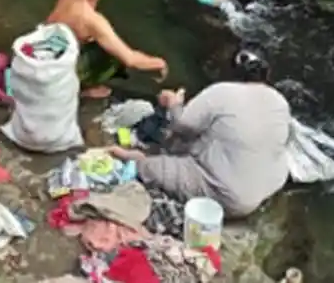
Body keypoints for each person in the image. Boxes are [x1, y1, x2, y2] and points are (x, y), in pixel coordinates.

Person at [107, 50, 291, 217]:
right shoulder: (280, 101)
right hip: (267, 185)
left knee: (148, 168)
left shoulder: (222, 92)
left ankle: (139, 160)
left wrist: (174, 104)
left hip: (228, 194)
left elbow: (183, 125)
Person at [47, 0, 167, 98]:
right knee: (113, 56)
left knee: (99, 42)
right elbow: (130, 59)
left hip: (52, 43)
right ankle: (83, 89)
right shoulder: (92, 20)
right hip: (61, 65)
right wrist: (159, 63)